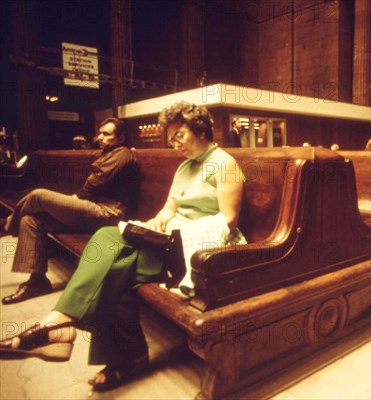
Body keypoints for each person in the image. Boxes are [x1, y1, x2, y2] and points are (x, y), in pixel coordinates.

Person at [0, 101, 247, 392]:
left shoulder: (226, 163)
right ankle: (73, 328)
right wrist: (155, 223)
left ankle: (84, 336)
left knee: (115, 265)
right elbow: (169, 209)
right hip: (167, 241)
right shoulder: (184, 167)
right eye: (171, 137)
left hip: (200, 247)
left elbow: (227, 220)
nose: (174, 142)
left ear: (201, 130)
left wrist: (177, 231)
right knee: (108, 240)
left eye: (179, 135)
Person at [0, 118, 138, 305]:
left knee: (38, 195)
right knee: (31, 220)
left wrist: (77, 197)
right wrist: (77, 198)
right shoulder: (108, 153)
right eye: (100, 133)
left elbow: (96, 182)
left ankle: (7, 224)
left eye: (107, 134)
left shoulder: (122, 153)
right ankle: (37, 281)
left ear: (121, 138)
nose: (100, 137)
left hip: (108, 212)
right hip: (93, 209)